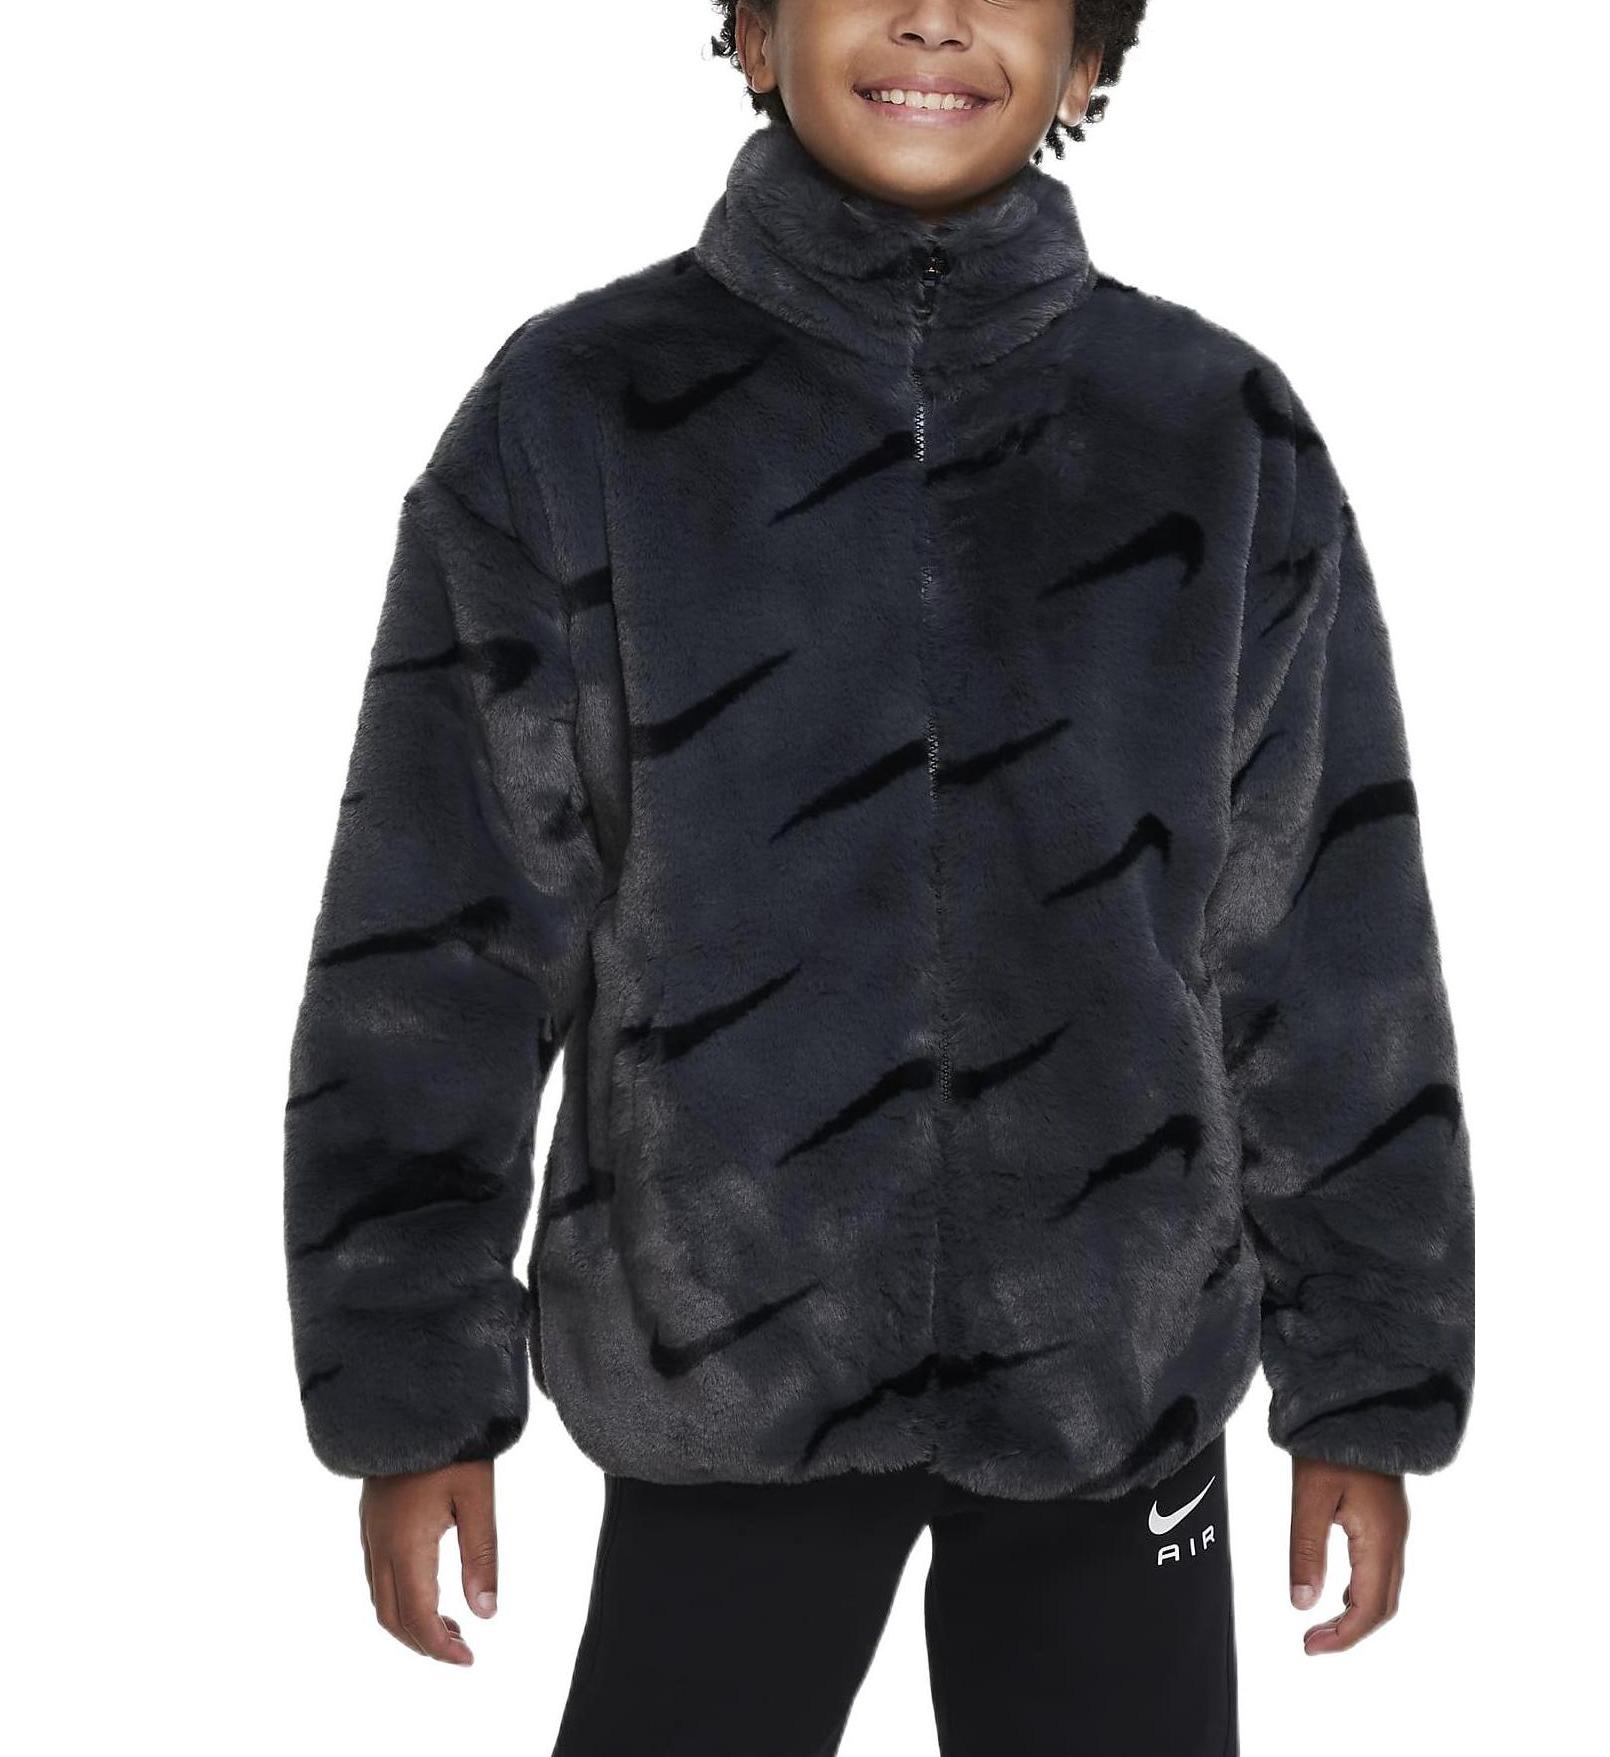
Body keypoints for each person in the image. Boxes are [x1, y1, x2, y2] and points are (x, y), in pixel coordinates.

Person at [281, 3, 1475, 1750]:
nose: (931, 13)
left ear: (1086, 59)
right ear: (754, 29)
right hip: (718, 1361)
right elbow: (439, 941)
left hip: (1113, 1373)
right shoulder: (575, 418)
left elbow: (1325, 941)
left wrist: (1364, 1377)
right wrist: (413, 1386)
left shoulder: (1214, 436)